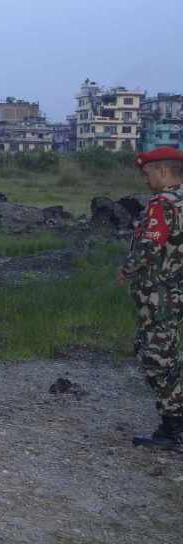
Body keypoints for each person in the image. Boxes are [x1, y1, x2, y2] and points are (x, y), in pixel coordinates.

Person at [118, 146, 183, 452]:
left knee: (157, 359)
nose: (146, 180)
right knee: (167, 355)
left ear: (163, 172)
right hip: (174, 293)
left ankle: (173, 429)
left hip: (161, 297)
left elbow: (149, 244)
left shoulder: (164, 204)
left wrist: (126, 270)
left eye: (147, 174)